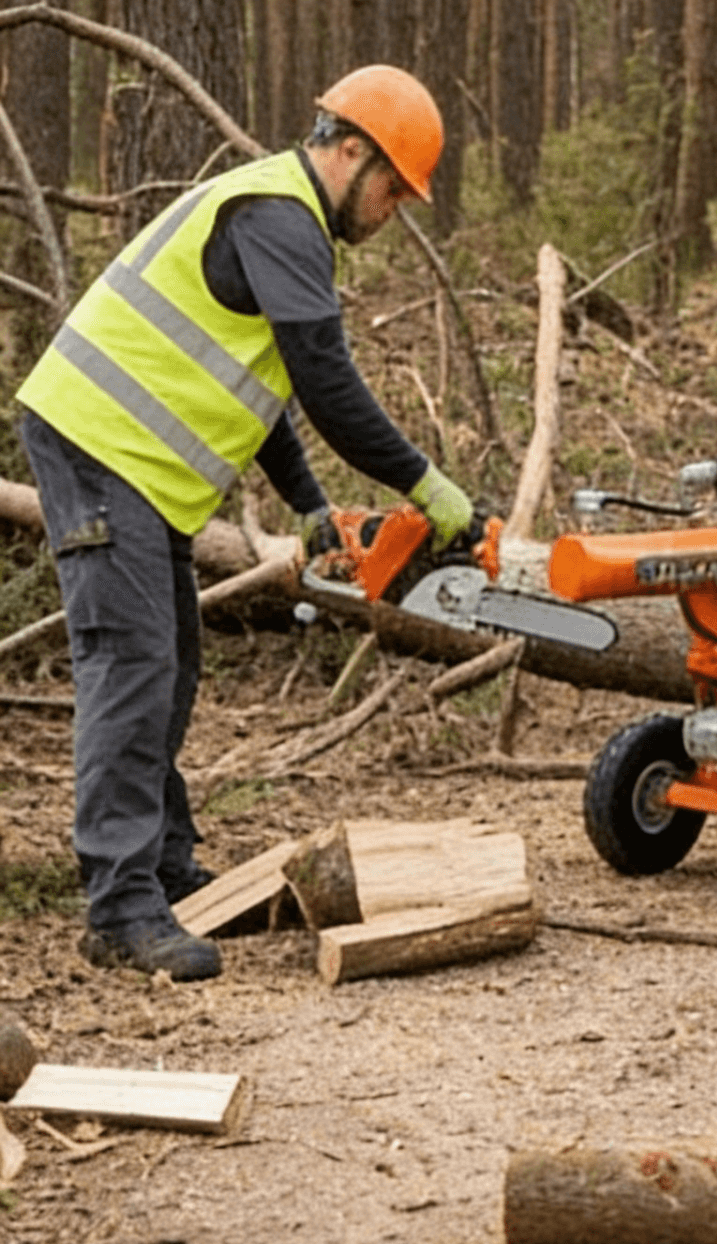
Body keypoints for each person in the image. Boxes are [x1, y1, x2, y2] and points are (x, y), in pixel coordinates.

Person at [17, 65, 480, 982]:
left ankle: (165, 868)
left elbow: (259, 386)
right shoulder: (277, 216)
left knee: (171, 662)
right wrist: (426, 484)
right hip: (98, 446)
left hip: (135, 466)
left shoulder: (283, 225)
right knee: (133, 663)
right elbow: (325, 383)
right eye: (392, 187)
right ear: (349, 150)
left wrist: (309, 505)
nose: (393, 209)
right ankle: (119, 909)